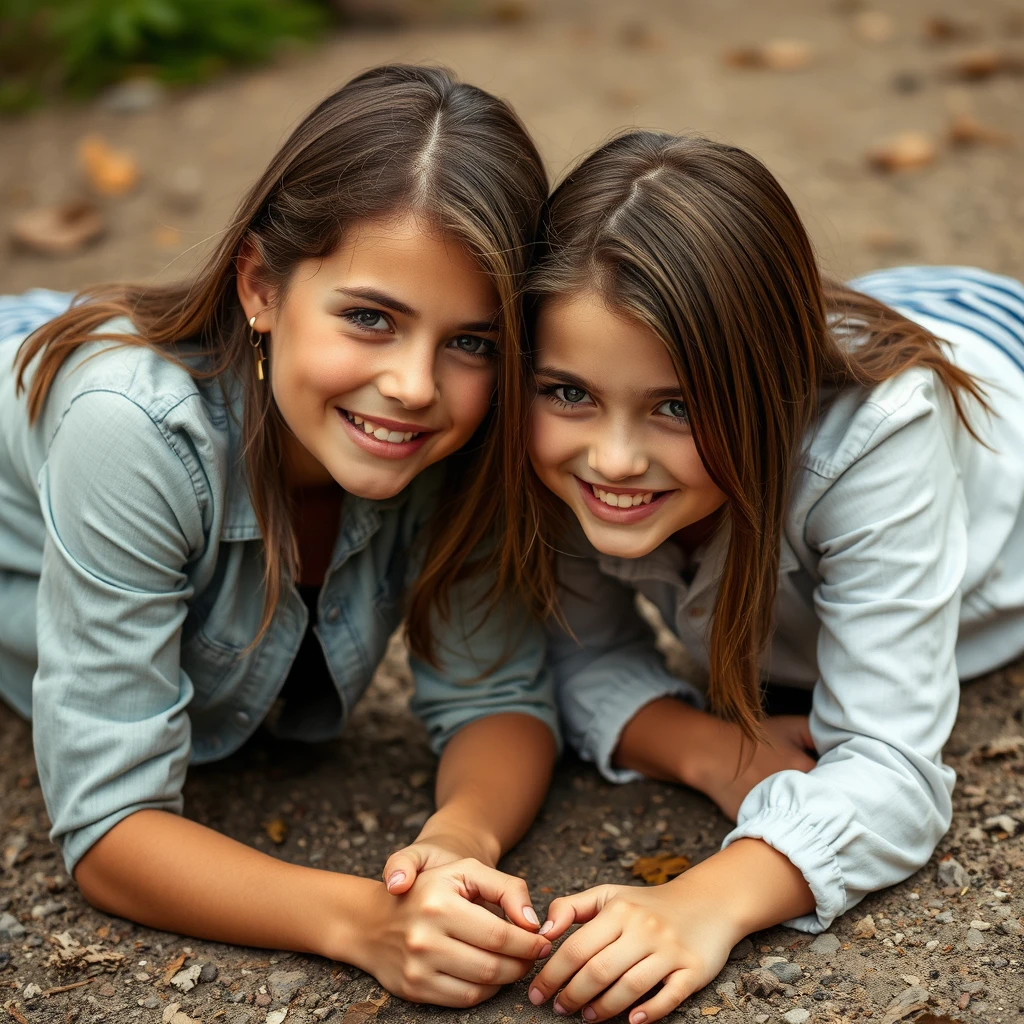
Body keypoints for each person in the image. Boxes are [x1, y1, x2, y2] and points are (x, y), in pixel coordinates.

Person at [0, 65, 559, 1007]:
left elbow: (498, 694)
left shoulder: (470, 434)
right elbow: (110, 826)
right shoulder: (132, 431)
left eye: (473, 340)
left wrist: (455, 841)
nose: (416, 386)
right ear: (260, 284)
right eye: (370, 317)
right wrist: (365, 921)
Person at [509, 130, 1024, 1022]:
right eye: (570, 393)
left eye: (676, 405)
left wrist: (704, 902)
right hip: (882, 306)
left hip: (989, 364)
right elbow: (567, 650)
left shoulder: (880, 438)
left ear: (766, 386)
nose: (615, 458)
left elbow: (892, 765)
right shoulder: (538, 434)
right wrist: (709, 748)